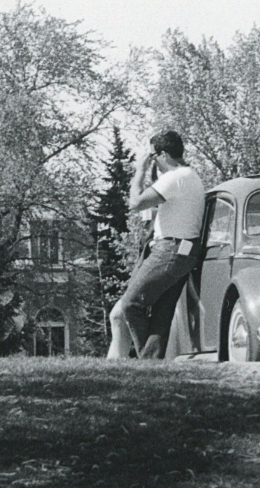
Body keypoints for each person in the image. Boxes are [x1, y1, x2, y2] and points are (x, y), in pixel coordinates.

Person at [109, 130, 206, 360]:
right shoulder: (190, 176)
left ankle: (147, 362)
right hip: (184, 252)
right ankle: (152, 363)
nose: (152, 160)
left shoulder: (175, 177)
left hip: (170, 250)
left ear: (163, 155)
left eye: (153, 156)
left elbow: (135, 203)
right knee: (162, 315)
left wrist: (140, 171)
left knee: (131, 304)